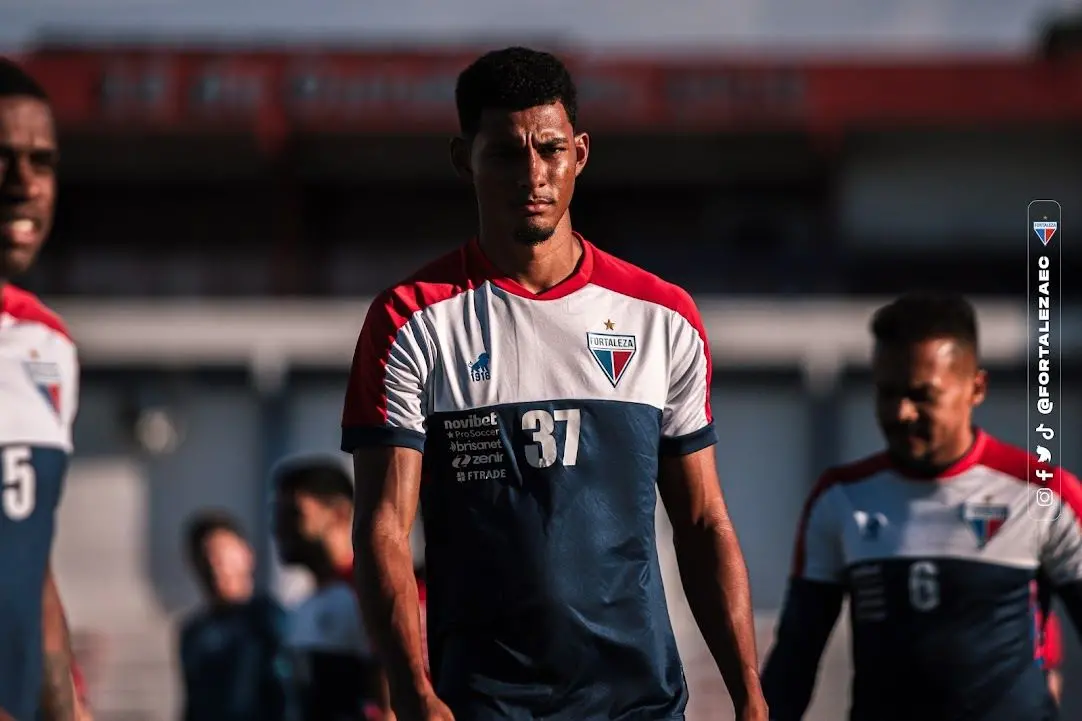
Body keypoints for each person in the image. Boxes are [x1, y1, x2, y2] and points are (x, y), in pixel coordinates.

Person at [343, 46, 766, 721]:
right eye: (508, 154)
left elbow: (704, 520)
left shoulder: (662, 318)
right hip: (481, 701)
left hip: (638, 701)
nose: (533, 175)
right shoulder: (408, 320)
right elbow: (384, 528)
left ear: (581, 153)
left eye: (550, 149)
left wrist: (749, 693)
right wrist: (413, 690)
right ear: (464, 159)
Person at [761, 292, 1082, 721]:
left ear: (976, 388)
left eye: (922, 395)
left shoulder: (1044, 494)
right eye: (886, 392)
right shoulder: (840, 498)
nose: (901, 412)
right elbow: (794, 659)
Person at [0, 57, 92, 721]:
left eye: (42, 161)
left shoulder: (48, 343)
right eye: (0, 158)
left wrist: (68, 708)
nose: (23, 184)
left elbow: (30, 566)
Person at [272, 455, 384, 721]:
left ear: (339, 515)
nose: (278, 528)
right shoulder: (302, 605)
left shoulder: (369, 595)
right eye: (277, 515)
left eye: (294, 514)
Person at [178, 510, 290, 721]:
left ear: (247, 555)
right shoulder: (193, 632)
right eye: (205, 557)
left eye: (221, 556)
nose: (214, 567)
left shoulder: (270, 619)